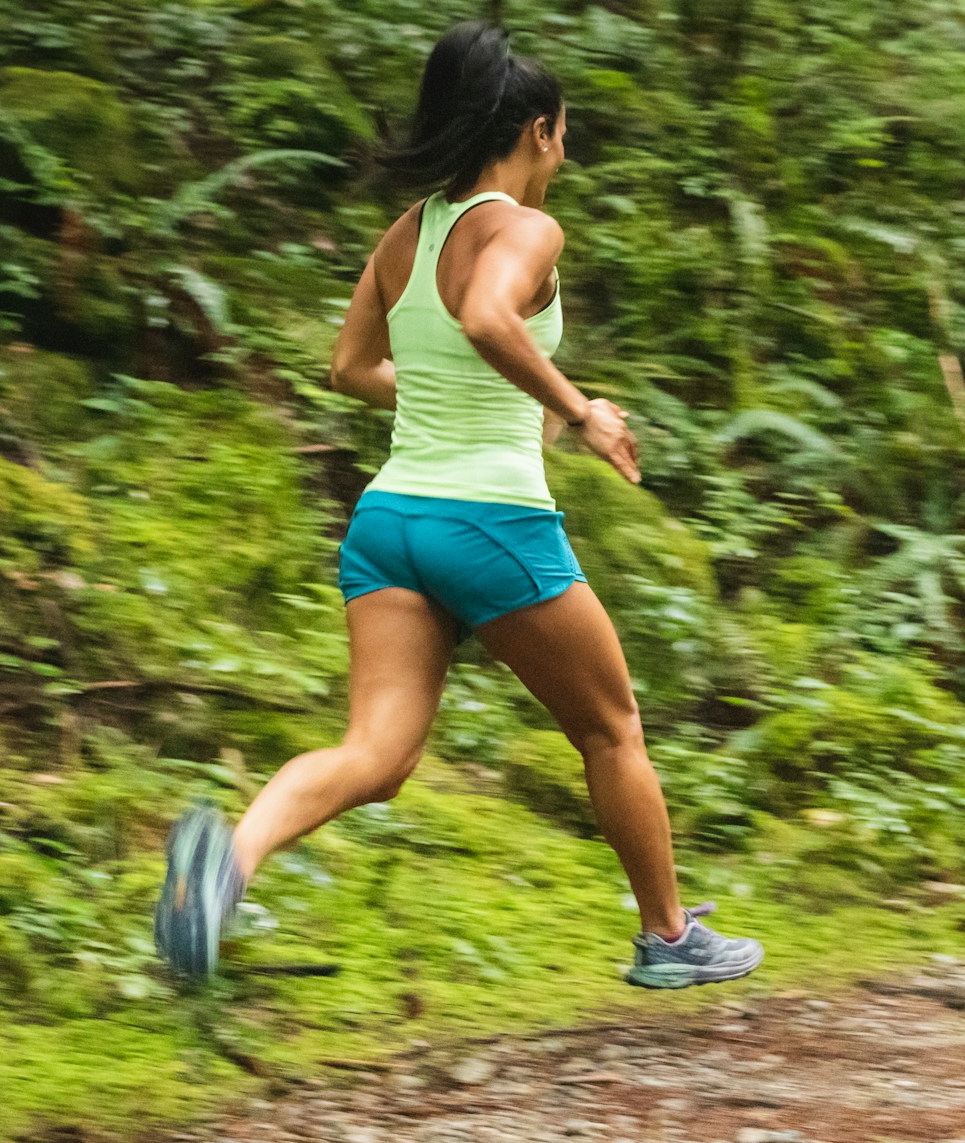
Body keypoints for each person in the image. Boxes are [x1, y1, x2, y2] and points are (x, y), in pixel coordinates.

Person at [153, 20, 763, 991]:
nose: (564, 151)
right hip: (489, 521)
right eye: (563, 133)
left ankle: (222, 870)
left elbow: (348, 369)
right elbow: (484, 315)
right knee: (612, 730)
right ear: (535, 132)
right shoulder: (525, 228)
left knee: (376, 754)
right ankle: (669, 938)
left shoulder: (408, 233)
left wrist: (461, 393)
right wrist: (581, 410)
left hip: (391, 522)